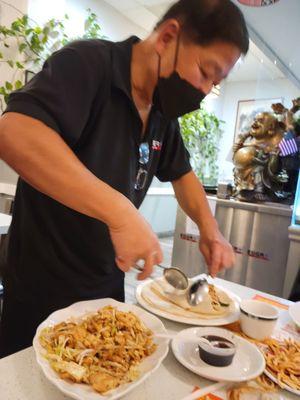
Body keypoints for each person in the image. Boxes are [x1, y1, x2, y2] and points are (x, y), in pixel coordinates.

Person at [0, 0, 248, 357]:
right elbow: (15, 132)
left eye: (216, 82)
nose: (207, 90)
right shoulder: (88, 64)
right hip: (41, 289)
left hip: (106, 290)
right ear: (168, 37)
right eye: (206, 72)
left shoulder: (163, 112)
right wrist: (120, 211)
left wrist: (210, 230)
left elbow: (183, 175)